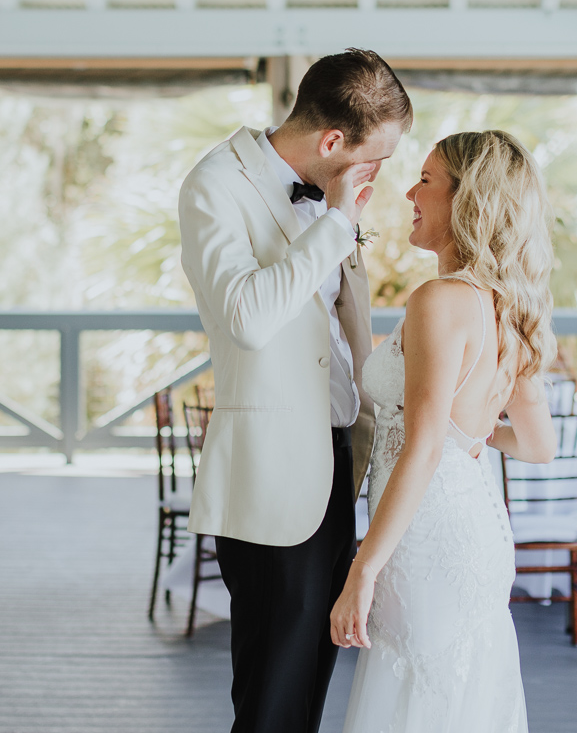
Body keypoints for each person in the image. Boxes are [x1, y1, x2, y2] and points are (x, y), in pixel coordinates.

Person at [177, 48, 412, 733]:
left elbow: (339, 329)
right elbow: (248, 318)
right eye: (378, 157)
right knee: (272, 694)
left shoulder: (330, 193)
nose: (377, 174)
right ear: (333, 142)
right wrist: (335, 226)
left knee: (309, 681)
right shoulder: (216, 184)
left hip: (340, 457)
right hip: (272, 474)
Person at [332, 130, 559, 733]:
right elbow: (539, 446)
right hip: (475, 531)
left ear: (467, 200)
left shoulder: (438, 300)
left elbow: (423, 445)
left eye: (426, 180)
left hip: (426, 539)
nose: (409, 190)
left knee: (415, 697)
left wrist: (364, 568)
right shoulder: (511, 305)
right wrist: (476, 437)